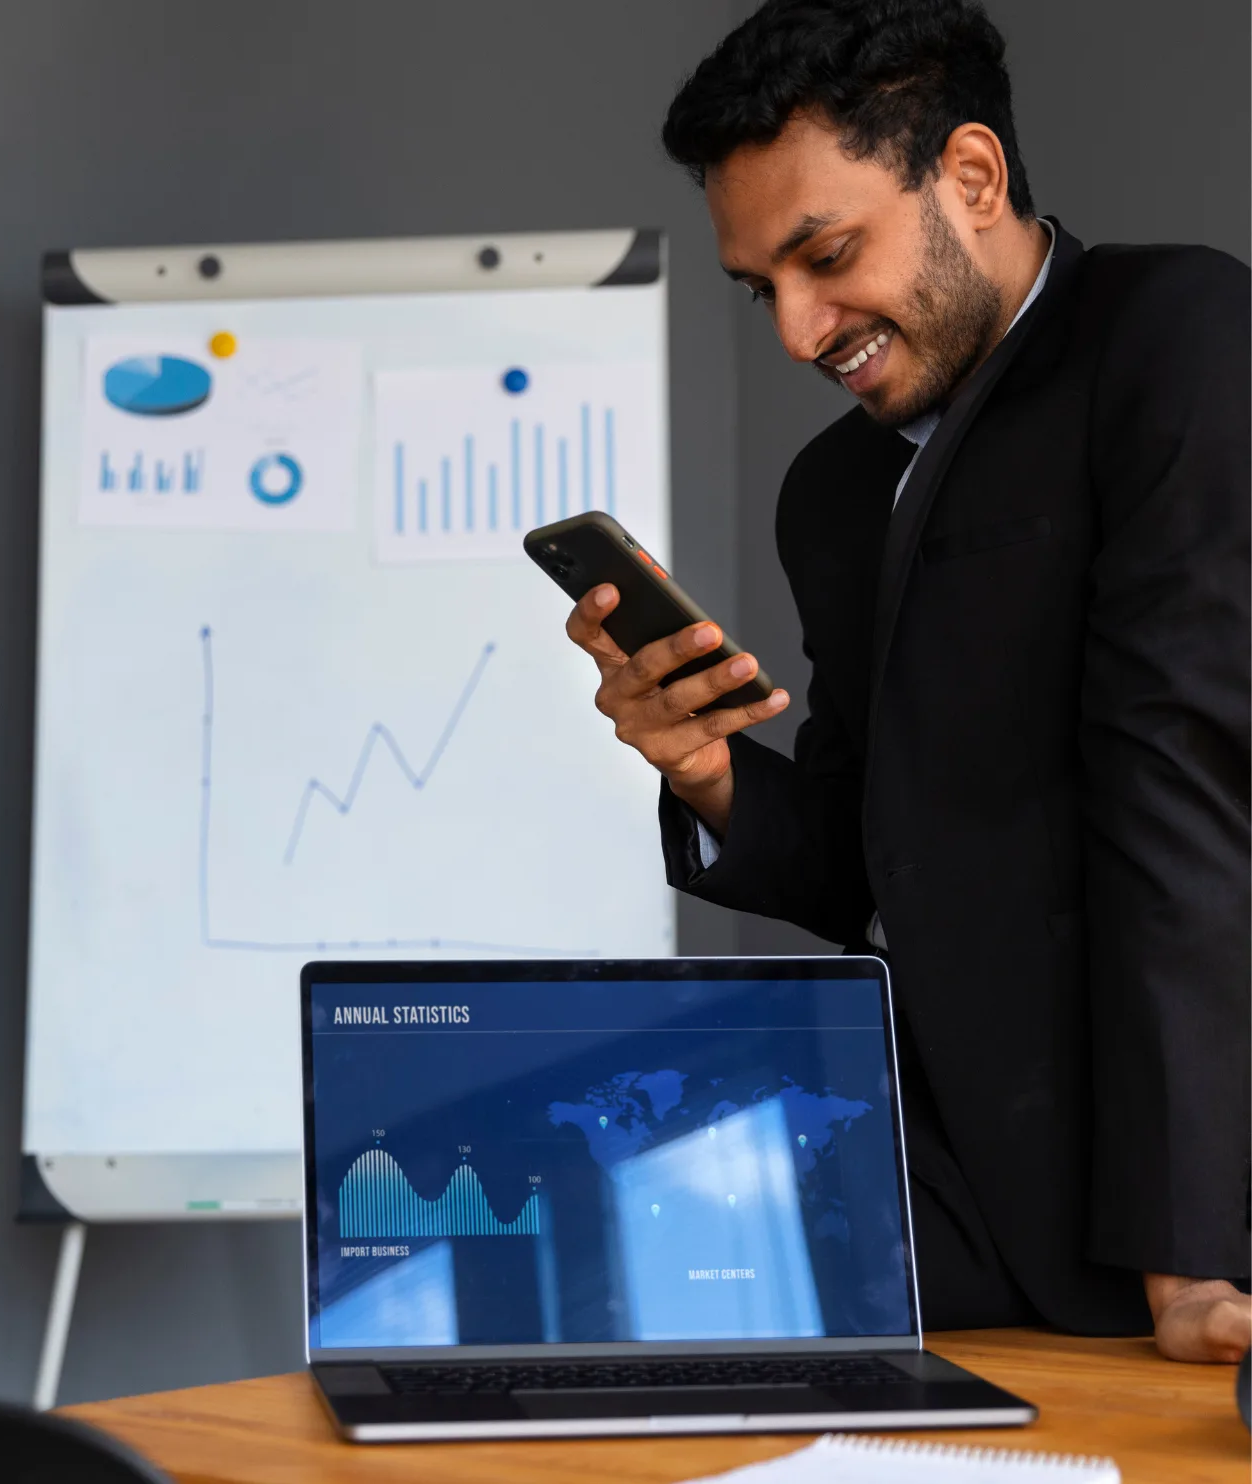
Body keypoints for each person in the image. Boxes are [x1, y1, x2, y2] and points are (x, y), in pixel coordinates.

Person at [564, 0, 1250, 1362]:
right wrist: (703, 769)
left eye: (826, 257)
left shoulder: (1176, 333)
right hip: (960, 1205)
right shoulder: (831, 493)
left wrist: (1192, 1247)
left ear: (974, 179)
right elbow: (874, 862)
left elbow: (1184, 785)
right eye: (764, 287)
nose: (800, 329)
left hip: (1200, 1204)